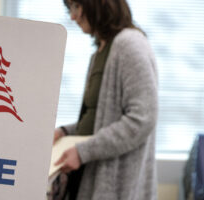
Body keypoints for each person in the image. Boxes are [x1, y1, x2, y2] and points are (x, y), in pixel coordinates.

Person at [52, 0, 158, 199]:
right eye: (69, 9)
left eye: (76, 7)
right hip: (87, 178)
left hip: (118, 185)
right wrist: (65, 132)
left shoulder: (130, 45)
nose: (72, 16)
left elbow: (142, 119)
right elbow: (100, 117)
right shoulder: (100, 52)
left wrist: (83, 151)